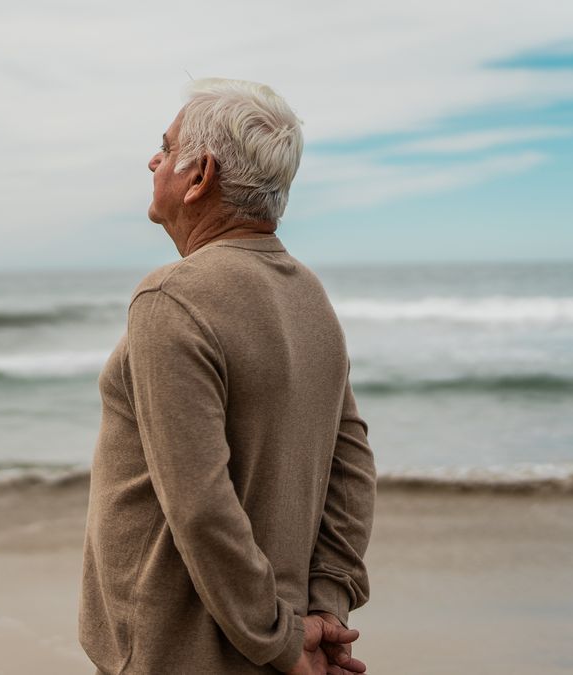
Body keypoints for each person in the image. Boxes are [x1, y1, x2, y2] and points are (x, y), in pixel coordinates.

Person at [79, 78, 377, 674]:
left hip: (177, 650)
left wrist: (277, 637)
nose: (153, 160)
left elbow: (200, 504)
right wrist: (325, 606)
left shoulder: (172, 295)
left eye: (166, 147)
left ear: (200, 175)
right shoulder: (307, 292)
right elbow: (352, 464)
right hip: (275, 635)